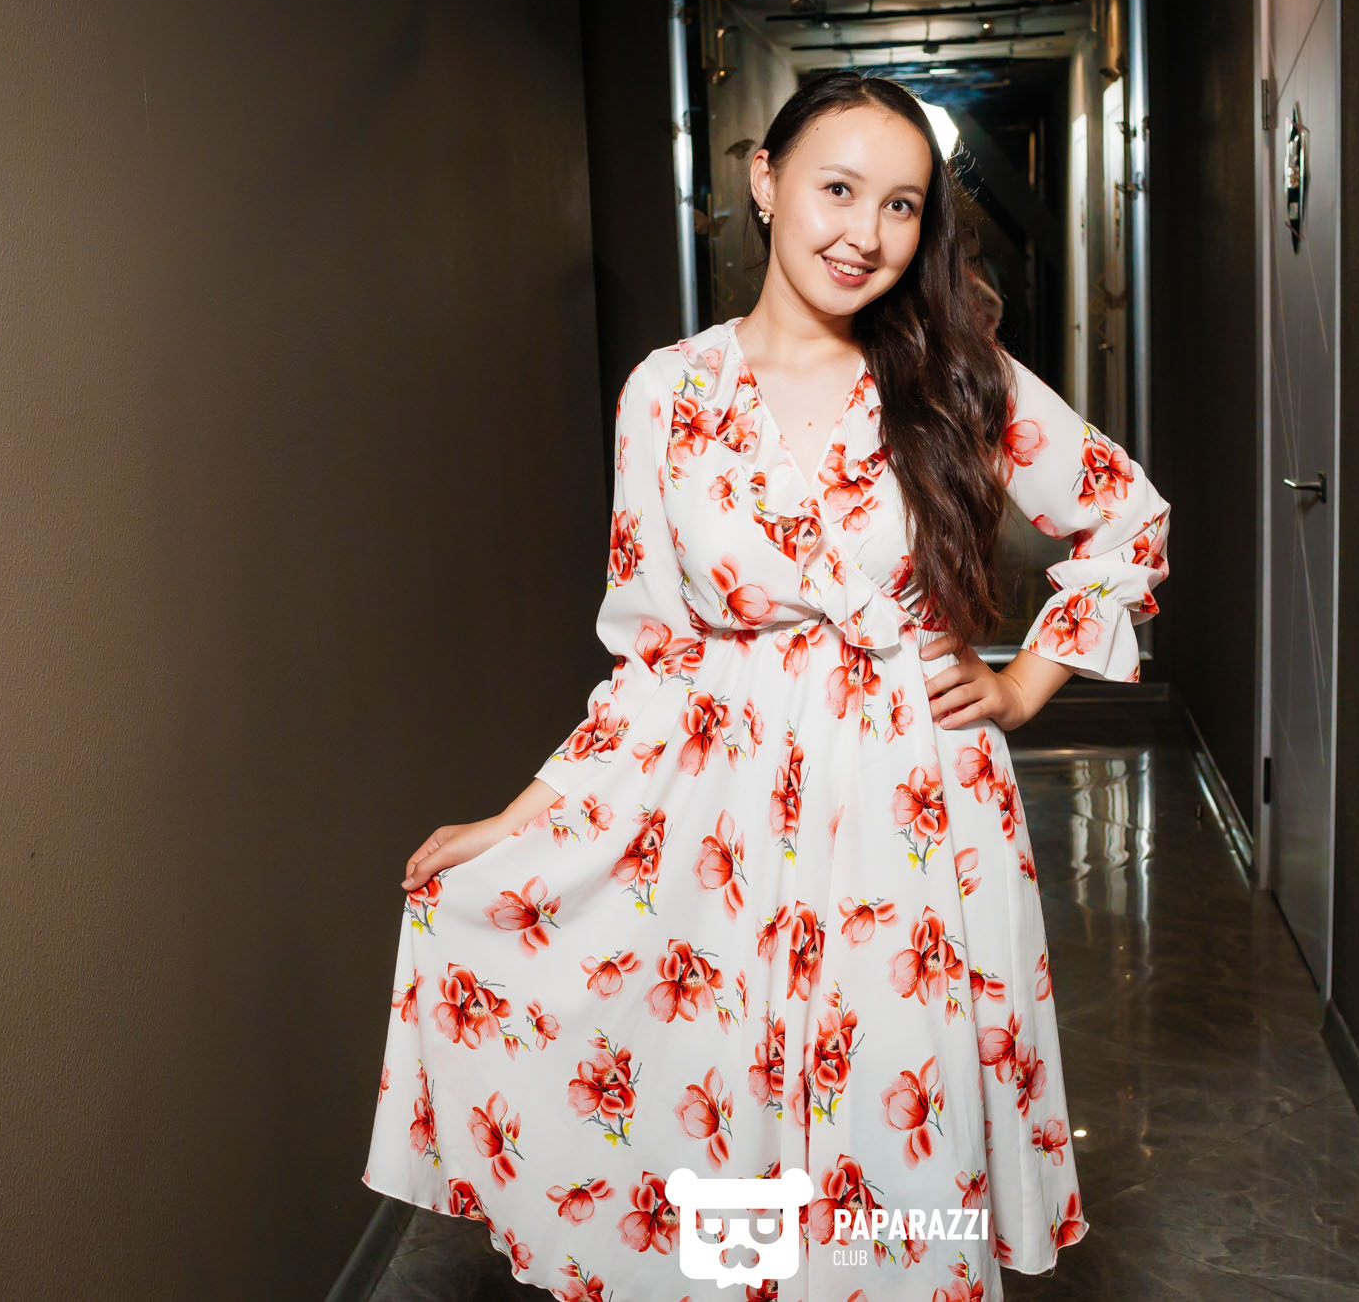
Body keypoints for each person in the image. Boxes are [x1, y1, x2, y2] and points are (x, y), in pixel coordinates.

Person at [363, 71, 1172, 1302]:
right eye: (837, 189)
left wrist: (1019, 690)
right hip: (723, 816)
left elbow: (1127, 521)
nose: (864, 234)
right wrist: (518, 821)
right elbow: (651, 653)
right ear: (764, 180)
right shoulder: (667, 393)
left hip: (911, 810)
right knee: (725, 1109)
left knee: (890, 1115)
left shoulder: (957, 375)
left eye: (900, 206)